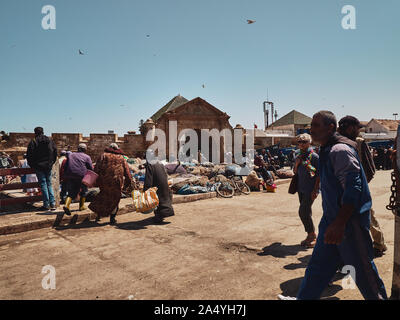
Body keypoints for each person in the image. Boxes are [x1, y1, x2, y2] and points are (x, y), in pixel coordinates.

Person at [292, 111, 387, 300]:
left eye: (317, 125)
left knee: (366, 275)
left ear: (331, 128)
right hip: (331, 222)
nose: (312, 129)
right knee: (316, 271)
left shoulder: (340, 151)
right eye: (312, 125)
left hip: (349, 225)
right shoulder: (325, 150)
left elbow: (353, 188)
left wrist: (340, 223)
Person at [338, 116, 387, 257]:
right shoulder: (336, 143)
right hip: (343, 189)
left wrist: (362, 184)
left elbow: (370, 167)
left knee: (368, 216)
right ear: (350, 128)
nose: (358, 131)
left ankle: (379, 244)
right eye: (357, 128)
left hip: (359, 187)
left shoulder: (359, 142)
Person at [88, 143, 132, 225]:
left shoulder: (103, 155)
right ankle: (112, 218)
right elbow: (127, 171)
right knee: (115, 200)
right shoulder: (122, 158)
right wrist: (129, 181)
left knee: (103, 197)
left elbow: (97, 168)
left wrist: (95, 180)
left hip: (104, 182)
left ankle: (98, 216)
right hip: (117, 182)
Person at [293, 133, 320, 248]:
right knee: (306, 212)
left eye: (304, 142)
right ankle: (310, 235)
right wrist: (297, 164)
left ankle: (313, 235)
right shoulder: (297, 155)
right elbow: (294, 172)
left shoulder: (314, 157)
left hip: (310, 189)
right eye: (299, 142)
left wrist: (316, 190)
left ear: (310, 143)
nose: (301, 144)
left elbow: (319, 174)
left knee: (302, 211)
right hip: (301, 188)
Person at [26, 127, 58, 211]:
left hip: (39, 166)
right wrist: (51, 163)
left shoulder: (33, 141)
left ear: (35, 132)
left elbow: (29, 155)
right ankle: (53, 204)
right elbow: (55, 152)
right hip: (48, 166)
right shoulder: (50, 140)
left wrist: (33, 165)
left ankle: (46, 204)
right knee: (49, 184)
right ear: (43, 132)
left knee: (43, 184)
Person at [62, 144, 93, 216]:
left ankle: (66, 205)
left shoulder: (71, 155)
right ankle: (81, 206)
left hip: (71, 175)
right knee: (84, 190)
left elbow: (66, 166)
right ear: (85, 150)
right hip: (82, 176)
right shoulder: (87, 157)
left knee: (71, 192)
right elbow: (91, 168)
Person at [144, 155, 175, 224]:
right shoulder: (159, 162)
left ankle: (159, 216)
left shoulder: (150, 164)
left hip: (157, 183)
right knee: (164, 198)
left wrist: (146, 189)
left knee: (157, 199)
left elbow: (148, 178)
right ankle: (164, 213)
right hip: (163, 182)